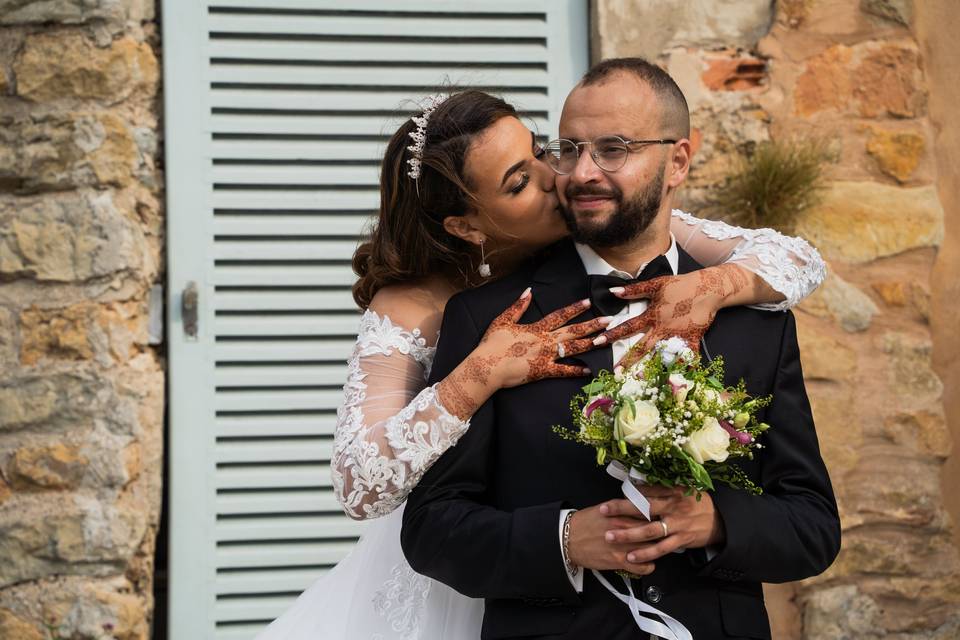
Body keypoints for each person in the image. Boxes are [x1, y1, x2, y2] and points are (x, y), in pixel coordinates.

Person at [256, 85, 828, 639]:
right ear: (467, 224)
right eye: (521, 182)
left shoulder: (707, 280)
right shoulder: (438, 309)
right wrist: (482, 373)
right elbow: (364, 484)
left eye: (538, 151)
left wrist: (715, 286)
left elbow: (793, 256)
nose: (565, 177)